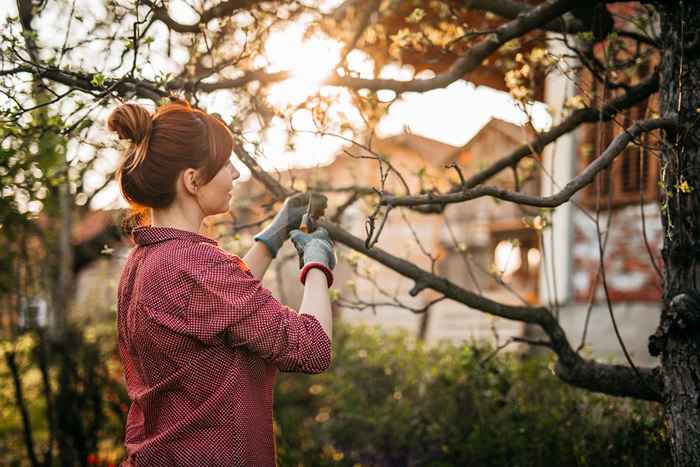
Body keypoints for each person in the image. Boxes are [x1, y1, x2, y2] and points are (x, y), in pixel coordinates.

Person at [108, 98, 336, 466]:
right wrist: (317, 264)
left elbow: (219, 309)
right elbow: (312, 348)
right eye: (224, 164)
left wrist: (273, 235)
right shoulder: (195, 265)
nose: (236, 173)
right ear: (192, 180)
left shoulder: (146, 261)